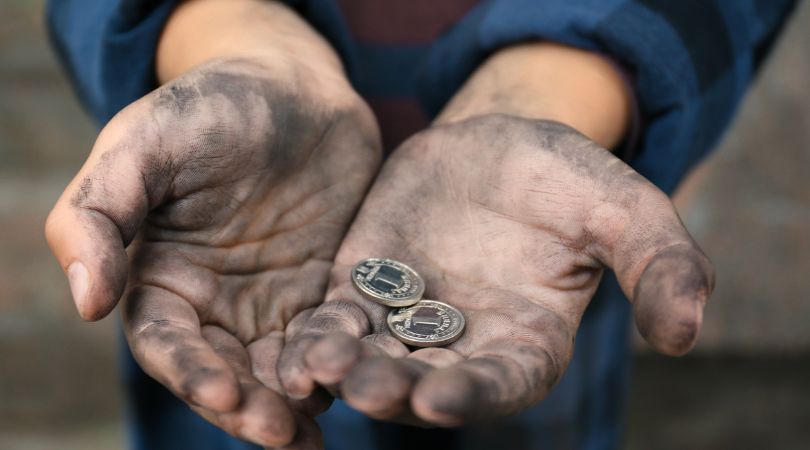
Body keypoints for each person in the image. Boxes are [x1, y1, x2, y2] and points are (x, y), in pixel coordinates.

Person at [44, 0, 797, 449]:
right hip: (232, 254)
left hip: (533, 257)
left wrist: (571, 86)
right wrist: (223, 31)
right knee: (237, 406)